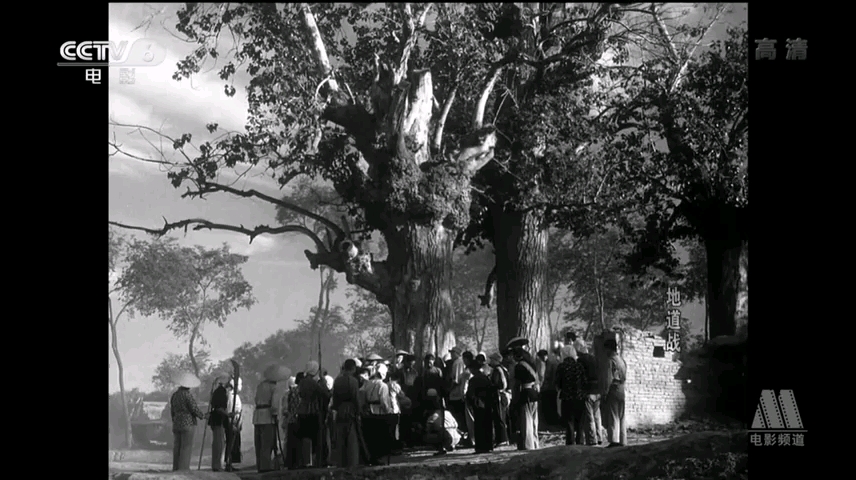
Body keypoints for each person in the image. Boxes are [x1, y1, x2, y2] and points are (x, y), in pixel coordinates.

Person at [296, 361, 331, 468]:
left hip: (302, 410)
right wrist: (323, 381)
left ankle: (304, 460)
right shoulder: (312, 382)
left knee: (304, 437)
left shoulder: (302, 381)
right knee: (315, 437)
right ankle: (316, 460)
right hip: (312, 411)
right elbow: (325, 394)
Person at [169, 372, 207, 471]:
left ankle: (175, 467)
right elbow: (193, 408)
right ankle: (183, 468)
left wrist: (174, 419)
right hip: (188, 423)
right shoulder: (187, 395)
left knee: (177, 446)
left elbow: (172, 410)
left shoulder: (175, 395)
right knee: (186, 446)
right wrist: (202, 416)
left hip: (176, 423)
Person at [331, 359, 363, 468]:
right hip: (350, 410)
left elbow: (334, 398)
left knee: (340, 437)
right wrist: (359, 412)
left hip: (340, 410)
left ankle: (340, 461)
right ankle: (352, 462)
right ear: (353, 368)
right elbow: (356, 398)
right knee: (351, 438)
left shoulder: (337, 381)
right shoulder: (353, 381)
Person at [361, 363, 394, 465]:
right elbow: (384, 401)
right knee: (379, 436)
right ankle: (378, 458)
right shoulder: (383, 386)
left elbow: (361, 395)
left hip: (368, 412)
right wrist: (389, 411)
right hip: (379, 413)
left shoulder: (367, 384)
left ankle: (371, 457)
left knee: (370, 436)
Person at [510, 340, 540, 450]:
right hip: (534, 393)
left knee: (526, 422)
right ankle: (535, 444)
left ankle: (528, 446)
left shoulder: (519, 366)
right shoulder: (531, 364)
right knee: (534, 422)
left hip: (525, 393)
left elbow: (517, 383)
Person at [574, 339, 603, 446]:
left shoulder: (580, 361)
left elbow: (579, 378)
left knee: (589, 417)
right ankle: (599, 438)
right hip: (598, 391)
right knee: (597, 416)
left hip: (588, 392)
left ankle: (592, 440)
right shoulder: (594, 359)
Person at [555, 345, 585, 445]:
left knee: (569, 422)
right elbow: (584, 381)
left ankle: (570, 442)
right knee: (580, 422)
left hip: (566, 398)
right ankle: (580, 441)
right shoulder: (579, 366)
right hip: (579, 397)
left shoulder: (561, 367)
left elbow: (557, 383)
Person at [465, 356, 495, 453]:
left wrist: (471, 402)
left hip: (478, 404)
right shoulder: (485, 378)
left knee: (479, 426)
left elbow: (470, 394)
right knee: (487, 426)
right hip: (487, 404)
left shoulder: (473, 380)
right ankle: (489, 445)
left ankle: (480, 447)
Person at [603, 338, 627, 447]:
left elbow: (608, 379)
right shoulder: (621, 360)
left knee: (613, 415)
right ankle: (623, 440)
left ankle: (614, 441)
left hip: (614, 388)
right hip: (622, 388)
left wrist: (605, 393)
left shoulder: (610, 361)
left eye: (606, 349)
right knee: (621, 416)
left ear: (609, 349)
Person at [253, 374, 279, 472]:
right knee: (266, 443)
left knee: (258, 443)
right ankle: (265, 466)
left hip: (258, 416)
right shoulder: (274, 387)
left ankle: (259, 465)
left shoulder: (260, 386)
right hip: (268, 417)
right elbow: (274, 404)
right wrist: (275, 414)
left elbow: (255, 399)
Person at [423, 389, 460, 456]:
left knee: (428, 435)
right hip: (456, 437)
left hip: (446, 437)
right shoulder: (448, 413)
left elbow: (428, 426)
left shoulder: (434, 415)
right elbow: (456, 424)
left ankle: (441, 448)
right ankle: (451, 446)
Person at [445, 346, 468, 443]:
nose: (451, 355)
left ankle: (461, 436)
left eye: (452, 353)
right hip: (458, 393)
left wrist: (449, 389)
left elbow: (456, 380)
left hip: (456, 394)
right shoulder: (460, 362)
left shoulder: (458, 362)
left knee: (458, 417)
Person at [488, 352, 510, 447]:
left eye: (492, 359)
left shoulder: (497, 370)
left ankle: (502, 439)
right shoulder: (503, 369)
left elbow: (499, 384)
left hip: (499, 395)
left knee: (500, 417)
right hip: (503, 395)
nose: (490, 361)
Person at [208, 376, 230, 471]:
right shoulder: (221, 392)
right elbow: (219, 408)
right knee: (219, 443)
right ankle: (217, 465)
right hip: (218, 420)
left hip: (216, 419)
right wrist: (228, 415)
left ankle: (217, 464)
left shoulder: (217, 391)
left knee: (218, 443)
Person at [283, 373, 304, 469]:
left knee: (291, 442)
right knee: (299, 443)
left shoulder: (291, 391)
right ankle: (300, 462)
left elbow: (287, 407)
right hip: (300, 419)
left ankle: (290, 463)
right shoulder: (302, 391)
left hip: (291, 419)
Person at [540, 341, 562, 427]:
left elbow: (548, 376)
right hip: (553, 386)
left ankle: (551, 422)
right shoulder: (553, 361)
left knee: (550, 406)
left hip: (551, 387)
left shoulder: (550, 362)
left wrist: (545, 386)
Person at [224, 378, 243, 471]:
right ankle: (228, 463)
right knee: (231, 442)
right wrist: (232, 424)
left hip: (237, 421)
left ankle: (230, 463)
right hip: (233, 422)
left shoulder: (235, 396)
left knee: (234, 443)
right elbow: (230, 410)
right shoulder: (231, 396)